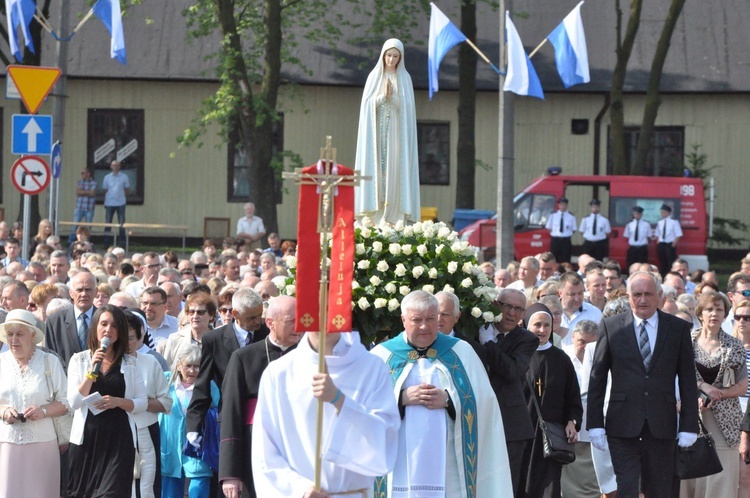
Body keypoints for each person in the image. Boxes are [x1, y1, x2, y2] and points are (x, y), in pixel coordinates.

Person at [372, 290, 512, 497]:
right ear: (403, 320)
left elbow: (485, 404)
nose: (424, 326)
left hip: (450, 465)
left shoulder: (461, 352)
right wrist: (401, 398)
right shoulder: (382, 356)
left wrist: (449, 400)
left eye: (430, 319)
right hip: (399, 463)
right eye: (416, 320)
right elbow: (364, 408)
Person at [588, 271, 699, 498]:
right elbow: (597, 379)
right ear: (628, 296)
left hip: (662, 426)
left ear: (659, 296)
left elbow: (688, 380)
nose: (642, 300)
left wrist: (689, 425)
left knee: (659, 491)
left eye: (648, 294)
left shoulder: (677, 328)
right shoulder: (611, 327)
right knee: (627, 489)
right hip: (622, 425)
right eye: (637, 294)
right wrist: (595, 423)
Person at [253, 330, 400, 496]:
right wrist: (300, 490)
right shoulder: (278, 373)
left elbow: (385, 436)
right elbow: (265, 452)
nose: (323, 318)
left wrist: (340, 401)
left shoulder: (372, 367)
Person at [219, 296, 300, 498]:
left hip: (300, 458)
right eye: (291, 321)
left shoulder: (312, 358)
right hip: (254, 455)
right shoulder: (243, 358)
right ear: (270, 323)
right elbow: (231, 415)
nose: (298, 326)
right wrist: (230, 473)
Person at [66, 304, 147, 497]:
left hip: (119, 440)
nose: (108, 330)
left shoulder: (130, 363)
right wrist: (91, 372)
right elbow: (74, 403)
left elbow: (142, 402)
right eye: (103, 324)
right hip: (86, 440)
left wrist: (118, 401)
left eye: (114, 325)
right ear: (95, 327)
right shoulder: (79, 360)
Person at [680, 291, 747, 498]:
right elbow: (677, 376)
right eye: (709, 309)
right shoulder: (686, 341)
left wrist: (717, 394)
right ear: (700, 313)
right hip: (690, 417)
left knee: (722, 478)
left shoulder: (734, 345)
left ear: (726, 314)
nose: (714, 314)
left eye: (719, 309)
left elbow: (742, 386)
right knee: (692, 480)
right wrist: (701, 387)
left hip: (726, 422)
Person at [185, 288, 268, 452]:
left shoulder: (267, 334)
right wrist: (194, 425)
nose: (258, 321)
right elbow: (203, 383)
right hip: (231, 414)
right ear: (236, 313)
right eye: (252, 317)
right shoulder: (214, 339)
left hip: (264, 413)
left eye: (260, 315)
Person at [0, 310, 70, 498]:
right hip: (6, 444)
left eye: (19, 334)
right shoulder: (1, 362)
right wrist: (4, 411)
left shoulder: (50, 361)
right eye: (10, 334)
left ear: (32, 335)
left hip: (43, 444)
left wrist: (44, 410)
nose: (14, 339)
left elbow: (66, 401)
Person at [477, 288, 539, 495]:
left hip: (510, 423)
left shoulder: (527, 339)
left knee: (507, 484)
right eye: (507, 306)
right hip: (477, 417)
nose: (512, 313)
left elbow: (512, 371)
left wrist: (489, 344)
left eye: (518, 309)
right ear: (496, 305)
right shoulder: (475, 330)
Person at [519, 303, 582, 498]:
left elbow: (573, 396)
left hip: (551, 437)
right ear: (527, 326)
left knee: (549, 487)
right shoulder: (518, 355)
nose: (542, 330)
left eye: (547, 325)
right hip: (522, 433)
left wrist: (572, 422)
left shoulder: (561, 359)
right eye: (537, 325)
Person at [354, 38, 420, 225]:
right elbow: (367, 107)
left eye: (395, 56)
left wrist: (395, 99)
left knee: (394, 170)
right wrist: (383, 98)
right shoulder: (374, 77)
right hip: (376, 135)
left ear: (400, 58)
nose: (391, 60)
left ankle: (393, 216)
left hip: (395, 135)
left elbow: (408, 109)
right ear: (383, 56)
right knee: (376, 171)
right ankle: (373, 216)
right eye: (389, 55)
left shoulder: (405, 79)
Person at [160, 344, 218, 498]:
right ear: (179, 365)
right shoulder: (166, 380)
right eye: (188, 366)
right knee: (170, 492)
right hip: (170, 445)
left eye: (197, 366)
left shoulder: (209, 386)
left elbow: (219, 411)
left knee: (198, 488)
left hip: (198, 447)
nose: (193, 371)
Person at [126, 310, 172, 498]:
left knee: (146, 489)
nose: (126, 342)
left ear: (140, 338)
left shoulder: (150, 362)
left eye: (130, 337)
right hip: (115, 433)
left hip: (145, 431)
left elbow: (166, 402)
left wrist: (136, 404)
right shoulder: (105, 364)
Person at [560, 320, 600, 498]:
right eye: (582, 342)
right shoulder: (563, 358)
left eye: (592, 343)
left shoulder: (604, 359)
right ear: (573, 338)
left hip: (596, 432)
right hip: (570, 430)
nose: (586, 347)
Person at [44, 271, 98, 371]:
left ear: (96, 292)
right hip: (65, 382)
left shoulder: (105, 319)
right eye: (79, 290)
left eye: (88, 290)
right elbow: (50, 358)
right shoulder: (55, 321)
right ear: (71, 293)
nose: (84, 294)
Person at [162, 292, 217, 367]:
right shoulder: (175, 339)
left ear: (211, 315)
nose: (195, 316)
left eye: (200, 312)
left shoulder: (219, 340)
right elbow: (167, 370)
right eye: (191, 312)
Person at [102, 159, 130, 245]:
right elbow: (105, 190)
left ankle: (122, 242)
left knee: (121, 224)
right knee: (108, 223)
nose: (115, 167)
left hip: (121, 203)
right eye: (113, 165)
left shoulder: (124, 177)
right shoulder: (107, 177)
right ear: (111, 166)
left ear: (119, 167)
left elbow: (127, 190)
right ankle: (106, 242)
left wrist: (120, 196)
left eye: (117, 165)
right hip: (109, 203)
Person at [68, 168, 98, 244]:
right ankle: (71, 241)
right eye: (81, 173)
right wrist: (87, 192)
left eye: (83, 173)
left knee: (88, 226)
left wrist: (83, 192)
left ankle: (87, 241)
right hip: (79, 207)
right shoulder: (80, 182)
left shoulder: (93, 182)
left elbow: (92, 193)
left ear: (88, 173)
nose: (82, 175)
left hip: (89, 208)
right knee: (75, 224)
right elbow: (78, 192)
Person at [545, 197, 576, 263]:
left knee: (566, 258)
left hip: (566, 240)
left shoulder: (571, 216)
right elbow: (548, 228)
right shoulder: (553, 215)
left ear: (567, 206)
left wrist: (565, 235)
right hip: (555, 240)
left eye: (564, 205)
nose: (563, 206)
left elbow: (573, 230)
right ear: (558, 205)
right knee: (553, 258)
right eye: (561, 204)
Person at [654, 203, 682, 276]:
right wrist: (658, 243)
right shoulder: (660, 222)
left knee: (670, 262)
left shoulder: (674, 222)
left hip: (669, 245)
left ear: (668, 212)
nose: (662, 213)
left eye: (663, 212)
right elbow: (657, 234)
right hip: (661, 244)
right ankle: (663, 276)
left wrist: (673, 245)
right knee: (662, 262)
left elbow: (678, 234)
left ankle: (671, 275)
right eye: (661, 212)